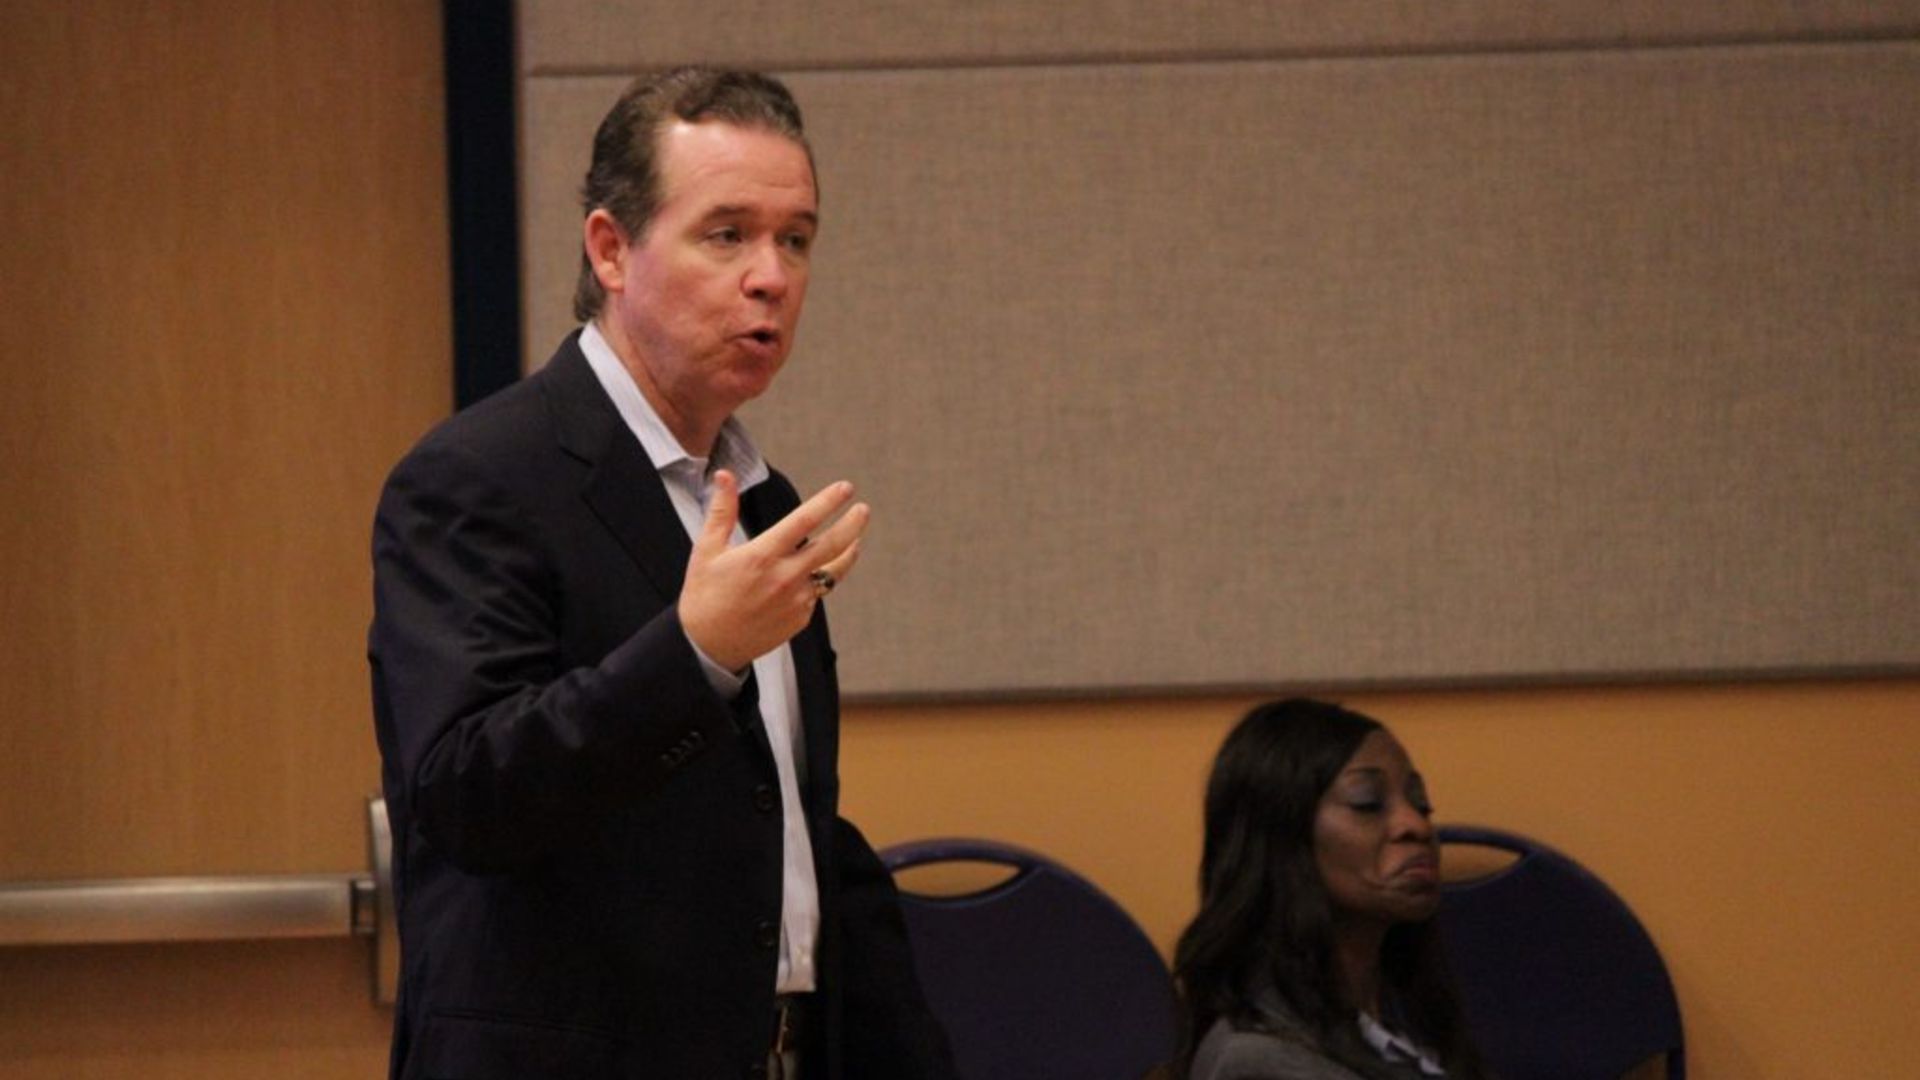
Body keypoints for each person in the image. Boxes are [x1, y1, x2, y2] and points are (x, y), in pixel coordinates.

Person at [369, 67, 955, 1080]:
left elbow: (791, 827)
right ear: (611, 250)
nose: (771, 275)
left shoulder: (764, 499)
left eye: (796, 239)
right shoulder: (478, 478)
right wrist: (695, 655)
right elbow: (466, 796)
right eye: (727, 235)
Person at [1171, 699, 1487, 1080]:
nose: (1416, 825)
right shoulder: (1259, 1060)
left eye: (1421, 804)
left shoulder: (1408, 1021)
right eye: (1368, 803)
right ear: (1281, 836)